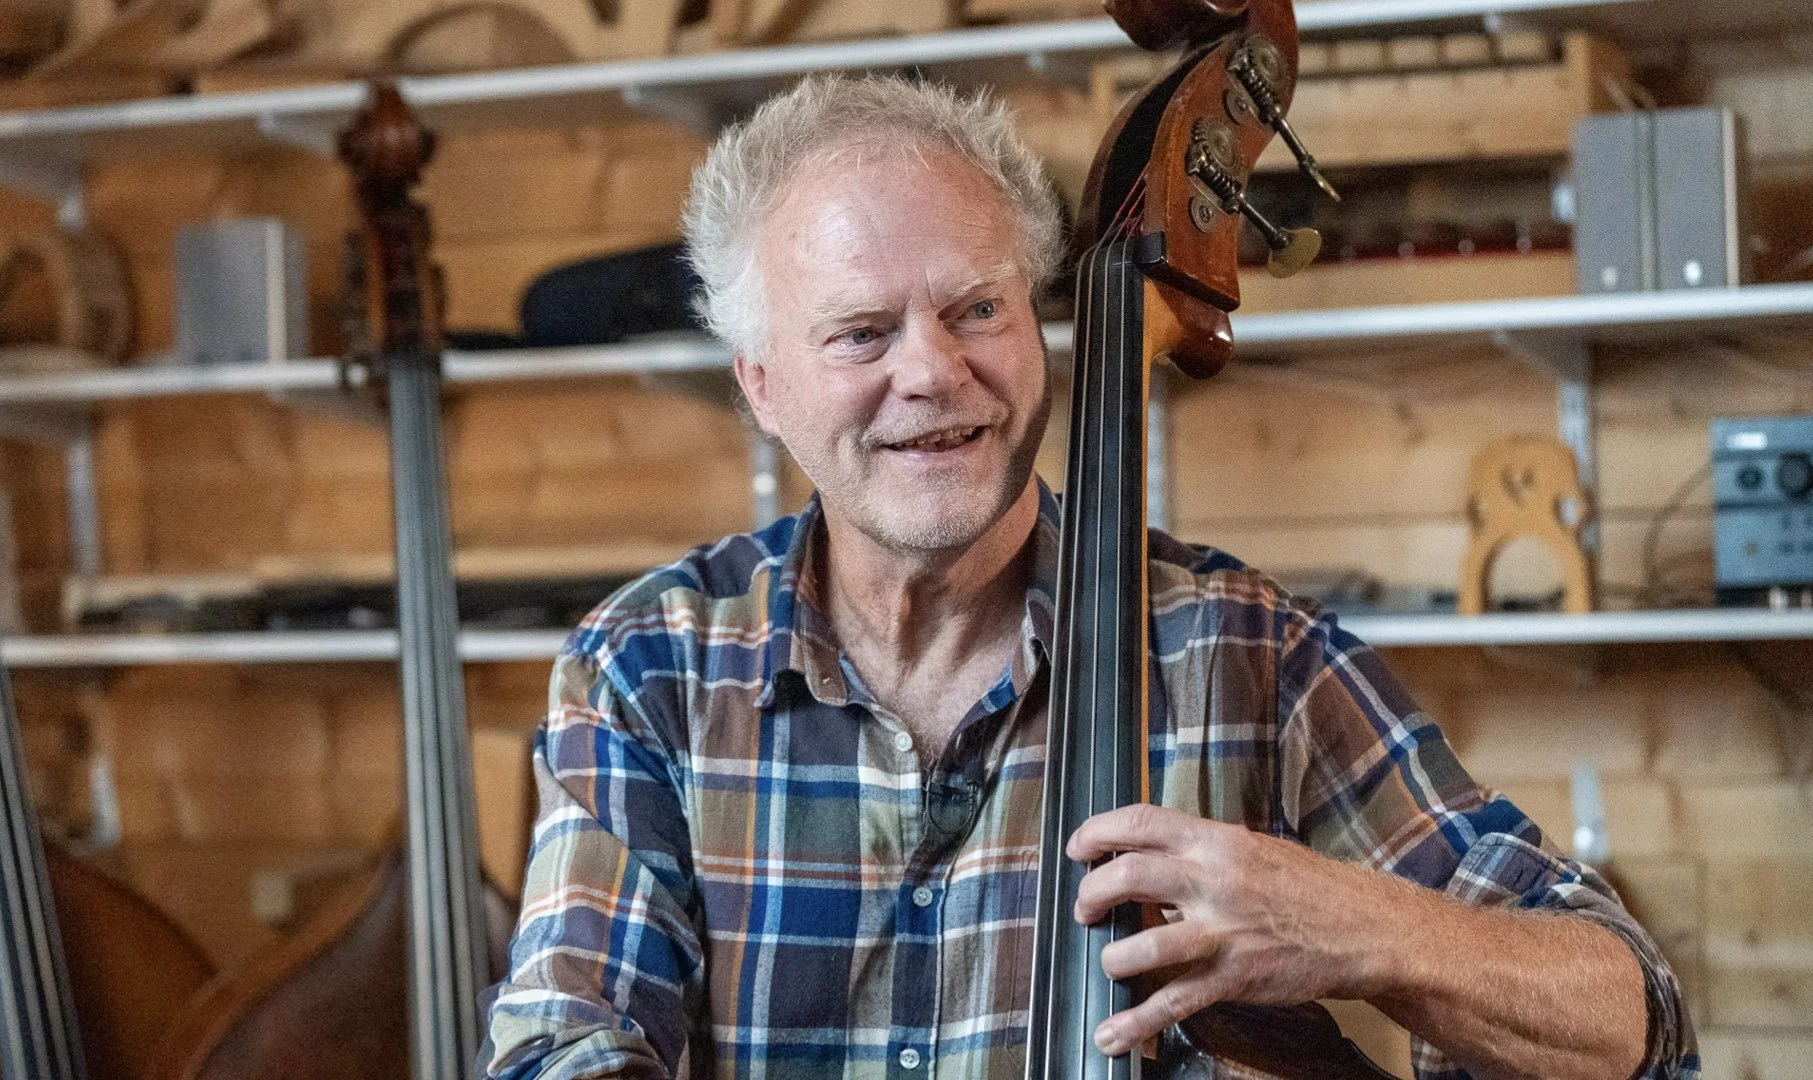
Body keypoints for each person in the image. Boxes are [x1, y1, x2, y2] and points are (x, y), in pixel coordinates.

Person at [479, 75, 1696, 1080]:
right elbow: (565, 1045)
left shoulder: (1244, 652)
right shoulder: (651, 667)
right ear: (760, 384)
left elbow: (1635, 1018)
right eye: (862, 332)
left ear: (1039, 318)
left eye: (976, 308)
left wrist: (1361, 928)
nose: (934, 371)